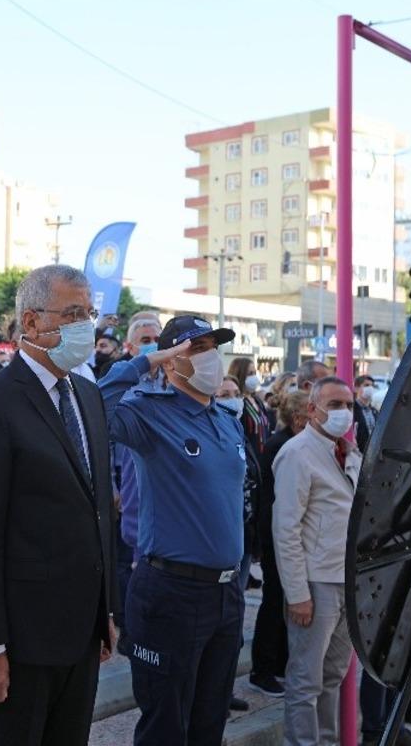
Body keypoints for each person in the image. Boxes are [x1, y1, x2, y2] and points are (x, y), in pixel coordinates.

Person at [0, 264, 117, 746]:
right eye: (72, 313)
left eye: (89, 313)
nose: (85, 325)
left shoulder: (87, 395)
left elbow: (97, 509)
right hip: (21, 640)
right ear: (30, 322)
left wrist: (106, 608)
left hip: (81, 631)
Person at [100, 315, 248, 746]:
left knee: (210, 722)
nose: (210, 357)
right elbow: (95, 407)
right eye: (195, 348)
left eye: (212, 346)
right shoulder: (148, 412)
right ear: (171, 362)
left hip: (227, 592)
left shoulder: (225, 418)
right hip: (171, 592)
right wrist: (146, 360)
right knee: (165, 726)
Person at [272, 376, 361, 746]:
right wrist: (297, 593)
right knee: (306, 680)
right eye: (335, 405)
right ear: (312, 410)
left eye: (349, 405)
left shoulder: (350, 453)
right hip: (315, 584)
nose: (344, 413)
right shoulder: (297, 453)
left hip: (347, 581)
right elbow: (286, 528)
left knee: (333, 676)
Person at [249, 389, 308, 698]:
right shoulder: (280, 446)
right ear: (298, 418)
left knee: (285, 601)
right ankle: (263, 668)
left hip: (292, 536)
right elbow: (273, 500)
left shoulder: (294, 443)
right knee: (274, 601)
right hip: (277, 536)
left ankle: (280, 661)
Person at [111, 314, 164, 654]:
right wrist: (110, 487)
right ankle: (132, 633)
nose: (152, 345)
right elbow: (101, 440)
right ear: (130, 346)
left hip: (163, 491)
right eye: (145, 339)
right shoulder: (122, 385)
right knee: (131, 565)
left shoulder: (176, 382)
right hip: (127, 488)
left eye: (156, 338)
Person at [227, 357, 270, 457]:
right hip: (249, 460)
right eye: (250, 374)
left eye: (255, 373)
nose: (254, 377)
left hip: (264, 461)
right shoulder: (238, 404)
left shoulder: (257, 401)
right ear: (240, 375)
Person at [353, 375, 379, 453]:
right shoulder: (352, 409)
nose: (370, 388)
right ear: (356, 388)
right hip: (358, 453)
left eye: (372, 386)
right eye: (366, 385)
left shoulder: (374, 411)